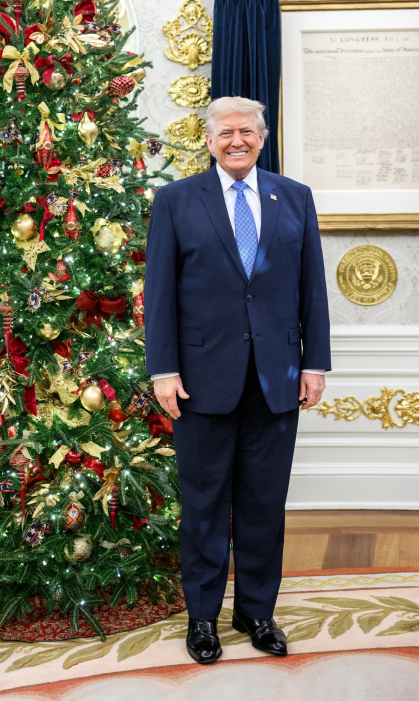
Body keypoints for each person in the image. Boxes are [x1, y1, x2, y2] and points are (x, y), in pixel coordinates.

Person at [144, 97, 331, 664]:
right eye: (225, 133)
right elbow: (160, 295)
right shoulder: (176, 201)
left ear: (263, 136)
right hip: (200, 380)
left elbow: (312, 288)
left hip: (276, 379)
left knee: (263, 503)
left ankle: (256, 612)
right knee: (203, 504)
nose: (237, 141)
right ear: (209, 140)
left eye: (247, 131)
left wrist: (314, 363)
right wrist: (163, 370)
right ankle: (202, 619)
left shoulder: (294, 197)